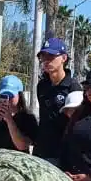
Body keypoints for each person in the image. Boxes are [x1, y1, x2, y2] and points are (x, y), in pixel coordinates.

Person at [32, 36, 80, 166]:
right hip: (41, 151)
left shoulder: (73, 87)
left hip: (62, 154)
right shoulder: (42, 86)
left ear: (63, 58)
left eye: (51, 57)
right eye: (43, 57)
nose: (46, 61)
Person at [0, 73, 39, 154]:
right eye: (4, 95)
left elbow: (22, 145)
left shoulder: (28, 118)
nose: (8, 99)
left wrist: (9, 119)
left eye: (11, 95)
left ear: (19, 95)